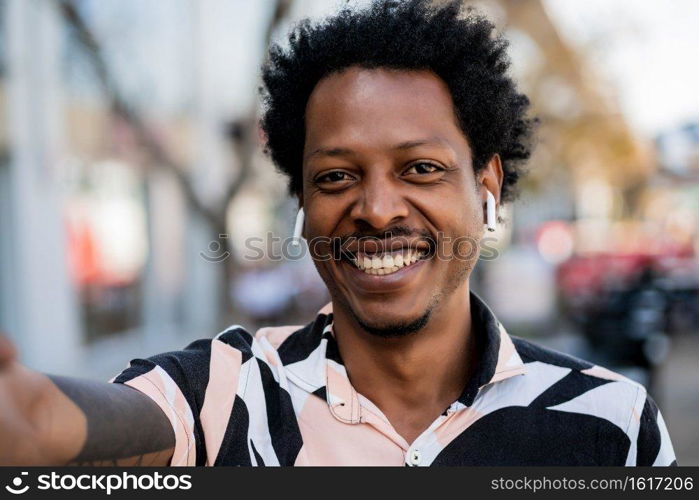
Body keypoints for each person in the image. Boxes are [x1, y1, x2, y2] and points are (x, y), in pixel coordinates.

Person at [0, 0, 676, 466]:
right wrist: (28, 423)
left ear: (487, 185)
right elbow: (53, 427)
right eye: (334, 177)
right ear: (303, 203)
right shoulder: (220, 396)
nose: (377, 210)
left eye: (420, 168)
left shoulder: (608, 422)